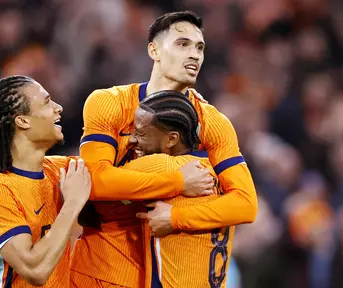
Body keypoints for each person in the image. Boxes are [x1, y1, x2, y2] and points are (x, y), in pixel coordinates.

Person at [71, 10, 257, 288]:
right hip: (105, 270)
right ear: (154, 50)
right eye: (183, 44)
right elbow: (95, 182)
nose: (194, 54)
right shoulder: (108, 103)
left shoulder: (213, 123)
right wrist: (179, 181)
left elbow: (245, 204)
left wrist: (176, 217)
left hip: (167, 273)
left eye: (199, 47)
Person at [126, 91, 236, 287]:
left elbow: (95, 182)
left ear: (171, 139)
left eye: (141, 133)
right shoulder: (219, 172)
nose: (131, 140)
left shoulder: (161, 166)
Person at [0, 75, 91, 287]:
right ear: (23, 120)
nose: (58, 108)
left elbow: (111, 171)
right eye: (47, 102)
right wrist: (71, 205)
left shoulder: (58, 170)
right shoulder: (4, 190)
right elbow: (35, 271)